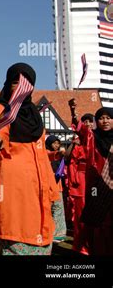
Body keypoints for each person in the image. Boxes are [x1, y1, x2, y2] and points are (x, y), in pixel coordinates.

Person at [0, 63, 58, 255]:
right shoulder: (1, 110)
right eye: (15, 83)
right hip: (16, 188)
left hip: (40, 186)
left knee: (42, 237)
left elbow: (41, 153)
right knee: (16, 236)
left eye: (26, 83)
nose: (20, 87)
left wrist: (53, 190)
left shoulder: (35, 116)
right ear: (7, 85)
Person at [69, 100, 112, 255]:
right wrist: (74, 113)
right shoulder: (92, 138)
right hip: (96, 187)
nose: (105, 121)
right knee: (99, 224)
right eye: (101, 118)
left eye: (108, 118)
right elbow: (81, 130)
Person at [63, 113, 93, 255]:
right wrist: (73, 144)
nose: (87, 123)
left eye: (90, 121)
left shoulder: (95, 138)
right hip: (79, 180)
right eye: (85, 121)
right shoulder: (77, 140)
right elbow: (67, 158)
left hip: (93, 179)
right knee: (80, 213)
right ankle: (80, 245)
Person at [45, 135, 67, 243]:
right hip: (47, 182)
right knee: (49, 207)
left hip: (57, 184)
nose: (56, 145)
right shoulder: (45, 154)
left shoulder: (59, 156)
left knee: (58, 207)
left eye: (58, 143)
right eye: (54, 143)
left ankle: (58, 232)